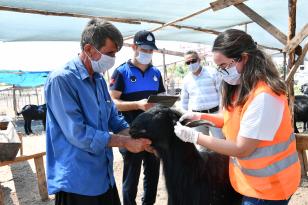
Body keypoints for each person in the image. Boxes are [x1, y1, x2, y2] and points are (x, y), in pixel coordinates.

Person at [174, 29, 300, 205]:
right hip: (251, 182)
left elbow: (242, 149)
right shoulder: (240, 87)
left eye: (225, 66)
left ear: (244, 58)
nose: (222, 72)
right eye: (220, 67)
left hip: (269, 188)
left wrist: (194, 137)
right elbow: (230, 119)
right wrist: (200, 116)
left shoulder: (264, 97)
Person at [44, 19, 152, 205]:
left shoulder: (99, 81)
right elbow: (78, 133)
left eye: (115, 53)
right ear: (88, 49)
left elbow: (114, 118)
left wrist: (139, 137)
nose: (113, 59)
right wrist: (125, 142)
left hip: (103, 177)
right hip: (77, 181)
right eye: (109, 53)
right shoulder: (61, 80)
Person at [109, 30, 165, 205]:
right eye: (144, 49)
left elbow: (162, 98)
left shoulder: (156, 72)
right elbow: (112, 102)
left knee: (153, 174)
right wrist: (137, 104)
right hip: (130, 131)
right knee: (131, 176)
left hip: (153, 133)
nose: (147, 53)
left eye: (151, 50)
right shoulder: (121, 72)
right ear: (134, 47)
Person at [181, 50, 224, 149]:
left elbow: (221, 93)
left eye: (193, 61)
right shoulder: (186, 80)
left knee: (220, 144)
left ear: (199, 60)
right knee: (201, 147)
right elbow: (184, 102)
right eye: (188, 62)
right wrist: (186, 117)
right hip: (197, 117)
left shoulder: (212, 72)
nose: (191, 64)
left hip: (214, 114)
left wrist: (221, 113)